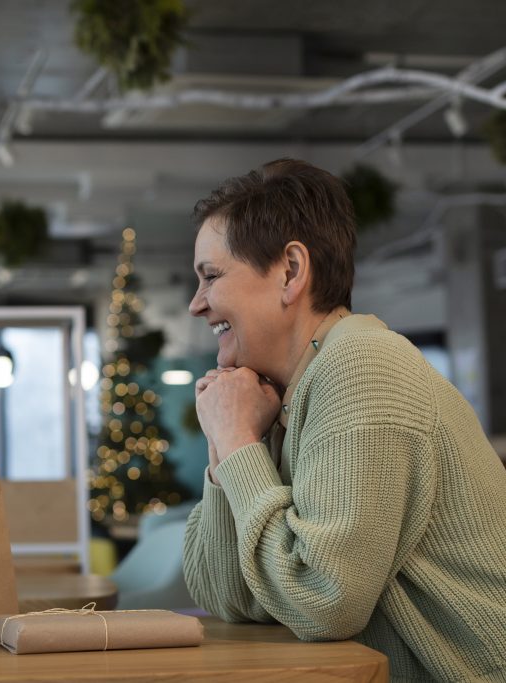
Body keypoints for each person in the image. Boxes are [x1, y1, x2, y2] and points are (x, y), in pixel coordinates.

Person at [182, 158, 506, 682]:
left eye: (211, 276)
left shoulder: (362, 366)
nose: (196, 305)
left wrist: (237, 442)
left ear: (290, 271)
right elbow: (228, 595)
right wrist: (231, 443)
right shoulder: (288, 391)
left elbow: (322, 601)